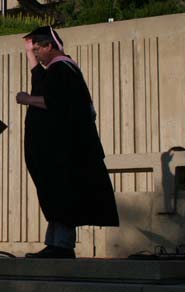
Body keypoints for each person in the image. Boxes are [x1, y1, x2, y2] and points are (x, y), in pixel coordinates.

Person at [16, 26, 119, 259]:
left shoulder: (62, 69)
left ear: (49, 46)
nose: (37, 53)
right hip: (60, 149)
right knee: (54, 193)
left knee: (62, 193)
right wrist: (28, 52)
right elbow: (40, 78)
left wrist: (26, 99)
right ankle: (55, 243)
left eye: (38, 48)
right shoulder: (58, 69)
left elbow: (57, 101)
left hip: (65, 151)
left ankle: (61, 245)